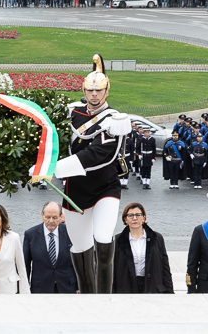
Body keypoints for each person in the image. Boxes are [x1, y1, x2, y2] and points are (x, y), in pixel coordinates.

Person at [51, 54, 130, 294]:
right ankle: (87, 295)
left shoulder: (114, 119)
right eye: (90, 90)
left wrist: (55, 168)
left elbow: (99, 154)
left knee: (103, 237)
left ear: (106, 91)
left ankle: (104, 297)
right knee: (80, 246)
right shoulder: (71, 112)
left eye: (98, 91)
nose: (94, 95)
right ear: (84, 91)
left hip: (105, 186)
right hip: (75, 189)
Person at [112, 202, 173, 294]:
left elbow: (165, 267)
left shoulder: (156, 238)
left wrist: (170, 293)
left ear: (144, 218)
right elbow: (112, 270)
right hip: (126, 289)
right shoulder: (117, 240)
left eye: (138, 215)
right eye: (130, 215)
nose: (134, 218)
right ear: (125, 219)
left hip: (153, 287)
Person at [22, 201, 78, 294]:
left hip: (67, 288)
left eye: (55, 217)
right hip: (40, 289)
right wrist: (23, 289)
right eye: (48, 217)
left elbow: (77, 262)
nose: (51, 221)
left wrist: (78, 286)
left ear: (61, 217)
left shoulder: (70, 232)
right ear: (42, 215)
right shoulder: (30, 234)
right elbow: (25, 265)